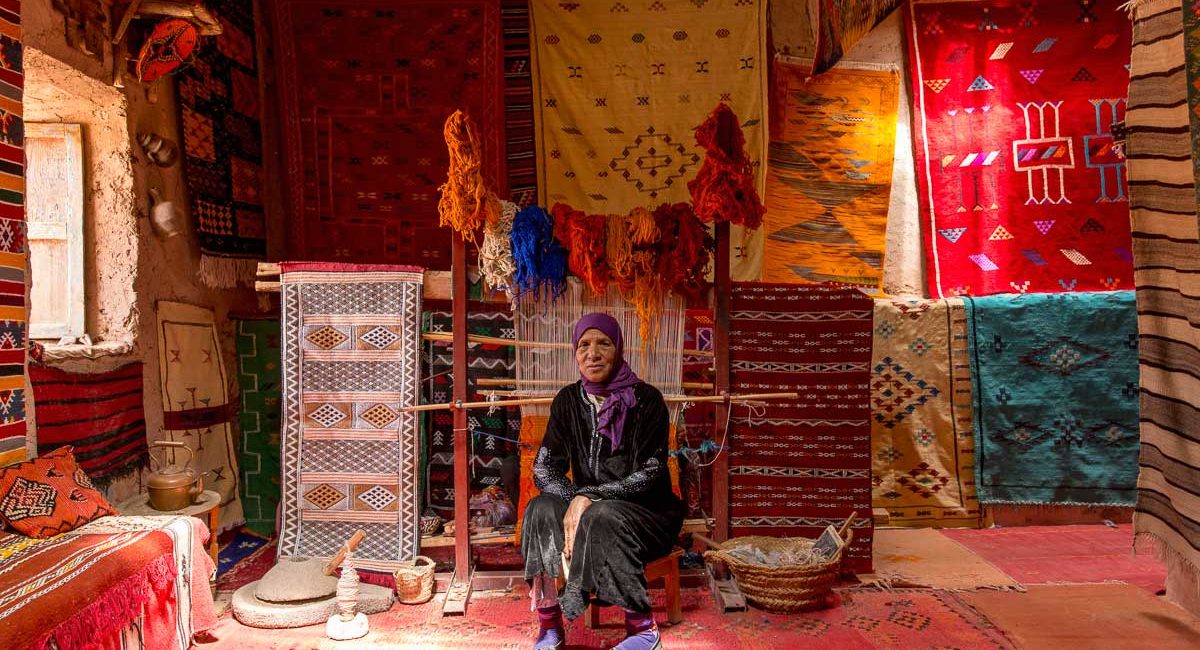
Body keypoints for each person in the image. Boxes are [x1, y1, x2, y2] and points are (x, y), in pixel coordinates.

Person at [521, 313, 683, 650]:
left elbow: (650, 474)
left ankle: (643, 629)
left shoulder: (647, 401)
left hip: (647, 515)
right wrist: (576, 499)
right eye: (584, 345)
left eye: (603, 343)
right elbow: (544, 468)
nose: (592, 354)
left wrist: (590, 497)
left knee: (602, 515)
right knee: (540, 509)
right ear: (575, 353)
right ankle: (549, 626)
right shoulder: (568, 401)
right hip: (588, 510)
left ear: (619, 348)